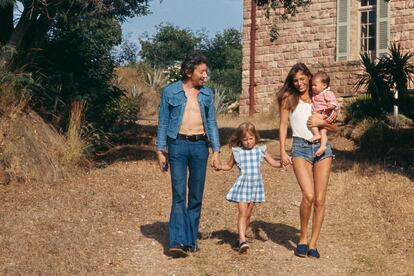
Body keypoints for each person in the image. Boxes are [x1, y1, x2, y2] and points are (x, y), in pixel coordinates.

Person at [155, 54, 221, 257]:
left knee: (195, 195)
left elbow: (211, 123)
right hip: (177, 145)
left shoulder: (207, 94)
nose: (205, 75)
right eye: (202, 71)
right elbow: (163, 121)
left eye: (205, 71)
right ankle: (176, 241)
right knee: (179, 194)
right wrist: (160, 150)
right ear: (188, 72)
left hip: (200, 146)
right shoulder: (170, 91)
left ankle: (190, 240)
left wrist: (216, 150)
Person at [277, 63, 336, 259]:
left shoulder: (320, 98)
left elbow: (335, 126)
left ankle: (313, 244)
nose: (299, 83)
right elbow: (283, 125)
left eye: (303, 79)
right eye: (295, 80)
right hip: (300, 148)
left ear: (309, 78)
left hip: (322, 149)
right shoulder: (289, 98)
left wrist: (323, 123)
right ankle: (302, 238)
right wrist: (283, 152)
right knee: (308, 195)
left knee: (320, 199)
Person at [216, 122, 281, 253]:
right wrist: (219, 166)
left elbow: (274, 163)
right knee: (243, 213)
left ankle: (240, 239)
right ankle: (242, 240)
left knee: (248, 214)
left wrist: (283, 162)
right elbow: (228, 166)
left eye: (251, 138)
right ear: (240, 139)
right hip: (243, 186)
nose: (248, 142)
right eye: (245, 139)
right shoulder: (237, 152)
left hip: (255, 187)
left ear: (255, 137)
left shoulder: (260, 150)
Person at [309, 71, 338, 157]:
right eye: (312, 85)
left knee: (312, 118)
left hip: (327, 113)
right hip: (322, 114)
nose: (313, 87)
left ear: (324, 85)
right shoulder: (315, 95)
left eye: (315, 85)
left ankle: (316, 134)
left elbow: (333, 102)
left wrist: (331, 106)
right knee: (323, 131)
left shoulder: (327, 93)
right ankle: (322, 146)